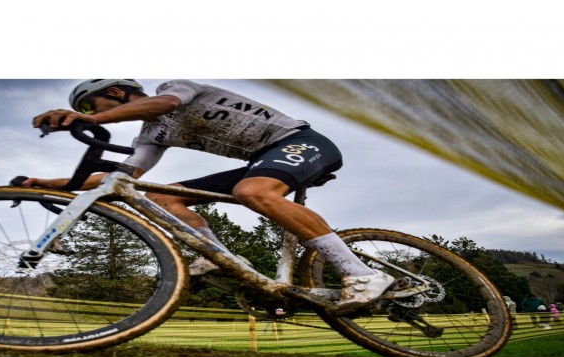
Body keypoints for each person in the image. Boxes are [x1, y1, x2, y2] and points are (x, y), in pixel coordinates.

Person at [28, 79, 394, 313]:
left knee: (252, 191)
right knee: (164, 197)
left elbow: (165, 105)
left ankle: (361, 274)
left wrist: (91, 122)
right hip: (261, 159)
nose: (89, 115)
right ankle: (225, 259)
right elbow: (122, 177)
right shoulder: (149, 137)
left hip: (300, 143)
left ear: (114, 92)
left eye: (90, 107)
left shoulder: (176, 89)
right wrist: (47, 182)